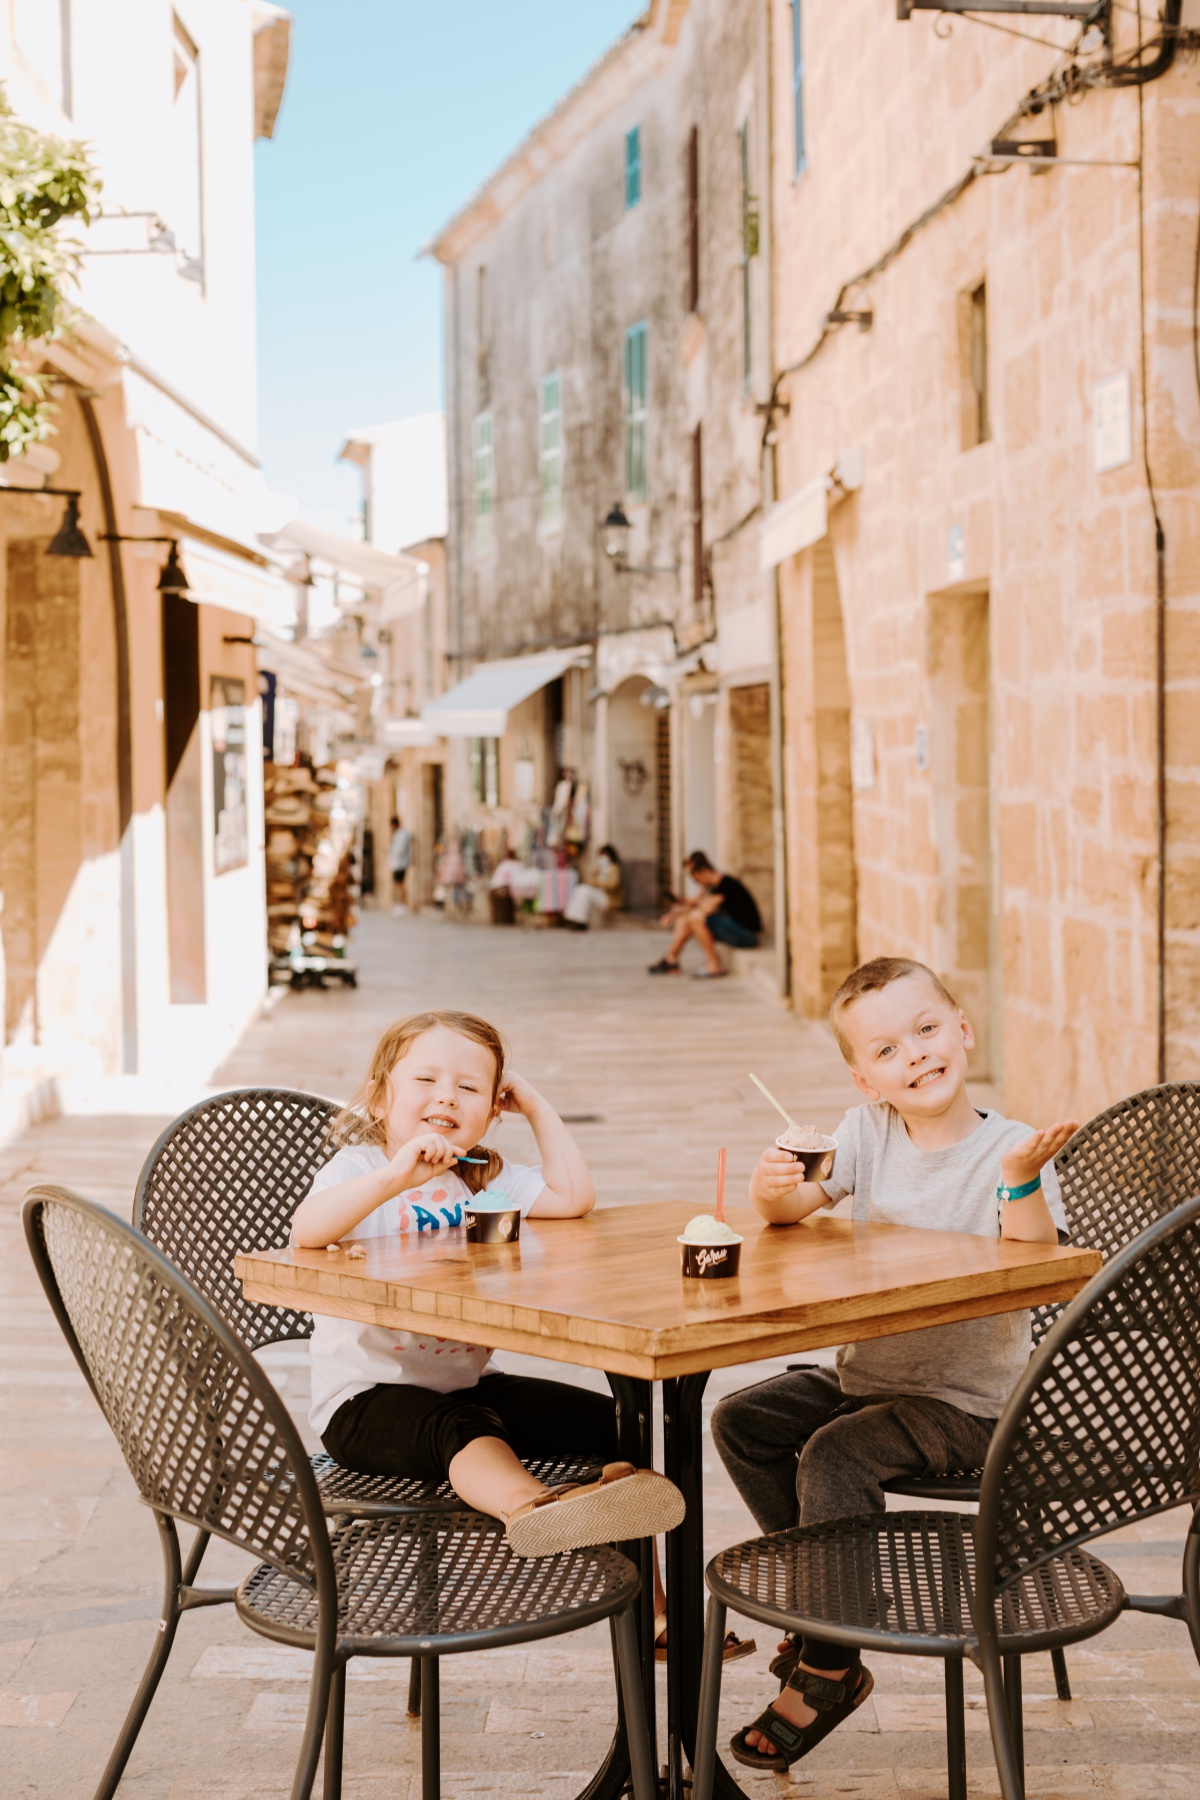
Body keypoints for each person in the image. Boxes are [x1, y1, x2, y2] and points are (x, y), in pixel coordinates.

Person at [709, 957, 1078, 1772]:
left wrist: (1021, 1185)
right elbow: (791, 1212)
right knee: (741, 1419)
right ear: (864, 1077)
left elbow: (1035, 1259)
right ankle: (828, 1607)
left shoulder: (1009, 1150)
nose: (913, 1054)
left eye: (926, 1030)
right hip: (866, 1379)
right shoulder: (866, 1133)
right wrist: (776, 1188)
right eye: (886, 1049)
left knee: (835, 1454)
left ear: (963, 1032)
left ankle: (831, 1666)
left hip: (969, 1404)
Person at [291, 1008, 685, 1558]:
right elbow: (306, 1232)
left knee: (613, 1424)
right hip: (364, 1402)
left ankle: (654, 1618)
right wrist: (396, 1177)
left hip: (469, 1383)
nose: (447, 1097)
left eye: (470, 1088)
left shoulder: (483, 1180)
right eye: (426, 1080)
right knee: (462, 1425)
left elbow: (572, 1198)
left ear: (493, 1110)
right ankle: (533, 1509)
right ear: (380, 1098)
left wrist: (537, 1108)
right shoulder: (358, 1170)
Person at [648, 849, 761, 978]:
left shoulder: (726, 884)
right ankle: (671, 960)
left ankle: (714, 965)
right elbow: (694, 903)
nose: (698, 883)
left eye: (697, 879)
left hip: (747, 936)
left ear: (704, 872)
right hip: (733, 930)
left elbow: (706, 909)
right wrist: (672, 915)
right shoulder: (712, 887)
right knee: (686, 919)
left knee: (696, 918)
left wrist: (695, 904)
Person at [563, 842, 626, 931]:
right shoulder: (601, 868)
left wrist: (597, 882)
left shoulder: (614, 868)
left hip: (609, 898)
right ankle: (573, 918)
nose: (603, 858)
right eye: (601, 855)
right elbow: (591, 881)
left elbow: (613, 884)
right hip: (600, 894)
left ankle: (581, 920)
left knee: (585, 891)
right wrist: (595, 872)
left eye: (605, 855)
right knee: (581, 889)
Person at [388, 816, 413, 914]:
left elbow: (400, 850)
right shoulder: (398, 834)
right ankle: (400, 904)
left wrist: (390, 849)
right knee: (398, 884)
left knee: (400, 885)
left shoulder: (403, 834)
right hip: (397, 864)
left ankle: (403, 905)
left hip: (401, 864)